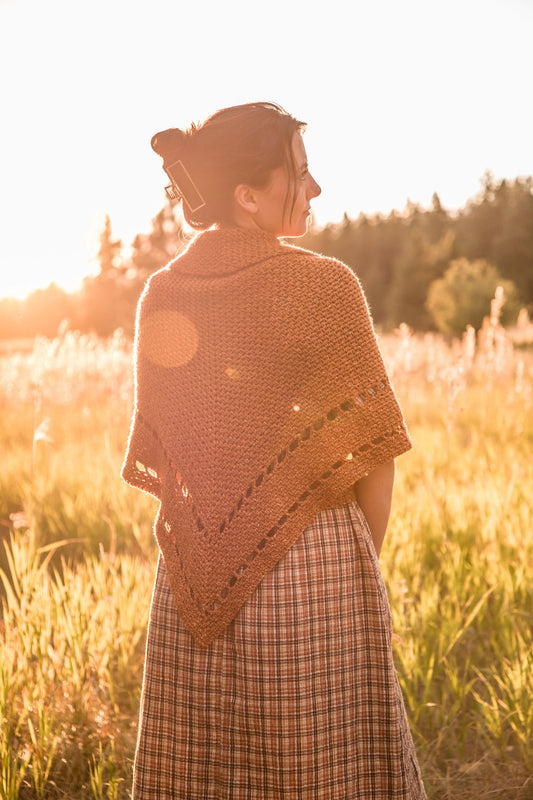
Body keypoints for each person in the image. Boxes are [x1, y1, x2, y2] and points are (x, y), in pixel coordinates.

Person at [122, 101, 426, 800]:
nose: (314, 188)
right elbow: (373, 456)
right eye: (300, 171)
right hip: (312, 576)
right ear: (247, 195)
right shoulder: (325, 287)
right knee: (322, 776)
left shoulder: (160, 294)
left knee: (201, 775)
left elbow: (175, 470)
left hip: (190, 587)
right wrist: (358, 573)